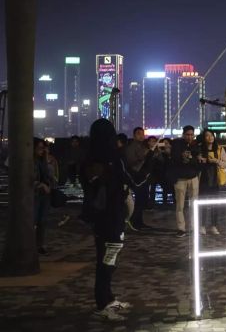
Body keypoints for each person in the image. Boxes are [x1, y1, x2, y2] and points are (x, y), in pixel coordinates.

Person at [81, 119, 132, 321]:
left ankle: (108, 298)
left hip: (99, 215)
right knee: (107, 258)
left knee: (107, 256)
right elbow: (127, 179)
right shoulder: (112, 158)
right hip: (111, 215)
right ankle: (102, 304)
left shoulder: (89, 158)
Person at [170, 126, 201, 238]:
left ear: (194, 135)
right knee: (180, 205)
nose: (189, 136)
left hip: (193, 178)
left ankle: (193, 227)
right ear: (183, 134)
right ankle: (181, 228)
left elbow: (199, 162)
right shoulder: (177, 145)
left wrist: (191, 158)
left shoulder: (196, 146)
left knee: (194, 204)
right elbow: (173, 159)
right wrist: (183, 158)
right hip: (180, 179)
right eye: (187, 134)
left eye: (191, 134)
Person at [198, 129, 226, 235]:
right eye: (207, 136)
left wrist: (216, 161)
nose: (210, 137)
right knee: (203, 204)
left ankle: (213, 226)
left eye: (211, 135)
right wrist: (200, 159)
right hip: (203, 180)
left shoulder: (219, 149)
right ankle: (202, 226)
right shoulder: (200, 149)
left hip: (215, 180)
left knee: (215, 204)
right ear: (204, 137)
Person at [124, 127, 155, 231]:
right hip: (136, 177)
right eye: (138, 134)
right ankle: (134, 220)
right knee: (138, 200)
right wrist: (144, 156)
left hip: (144, 177)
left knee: (142, 200)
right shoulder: (131, 147)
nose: (141, 136)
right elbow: (132, 162)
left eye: (142, 134)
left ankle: (139, 221)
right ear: (134, 135)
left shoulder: (143, 146)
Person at [33, 138, 51, 255]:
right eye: (39, 148)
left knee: (42, 221)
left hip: (44, 194)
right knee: (34, 219)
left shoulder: (43, 161)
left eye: (43, 148)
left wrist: (46, 157)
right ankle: (33, 244)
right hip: (35, 194)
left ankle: (41, 245)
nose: (42, 150)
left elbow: (49, 175)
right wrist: (40, 185)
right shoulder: (31, 161)